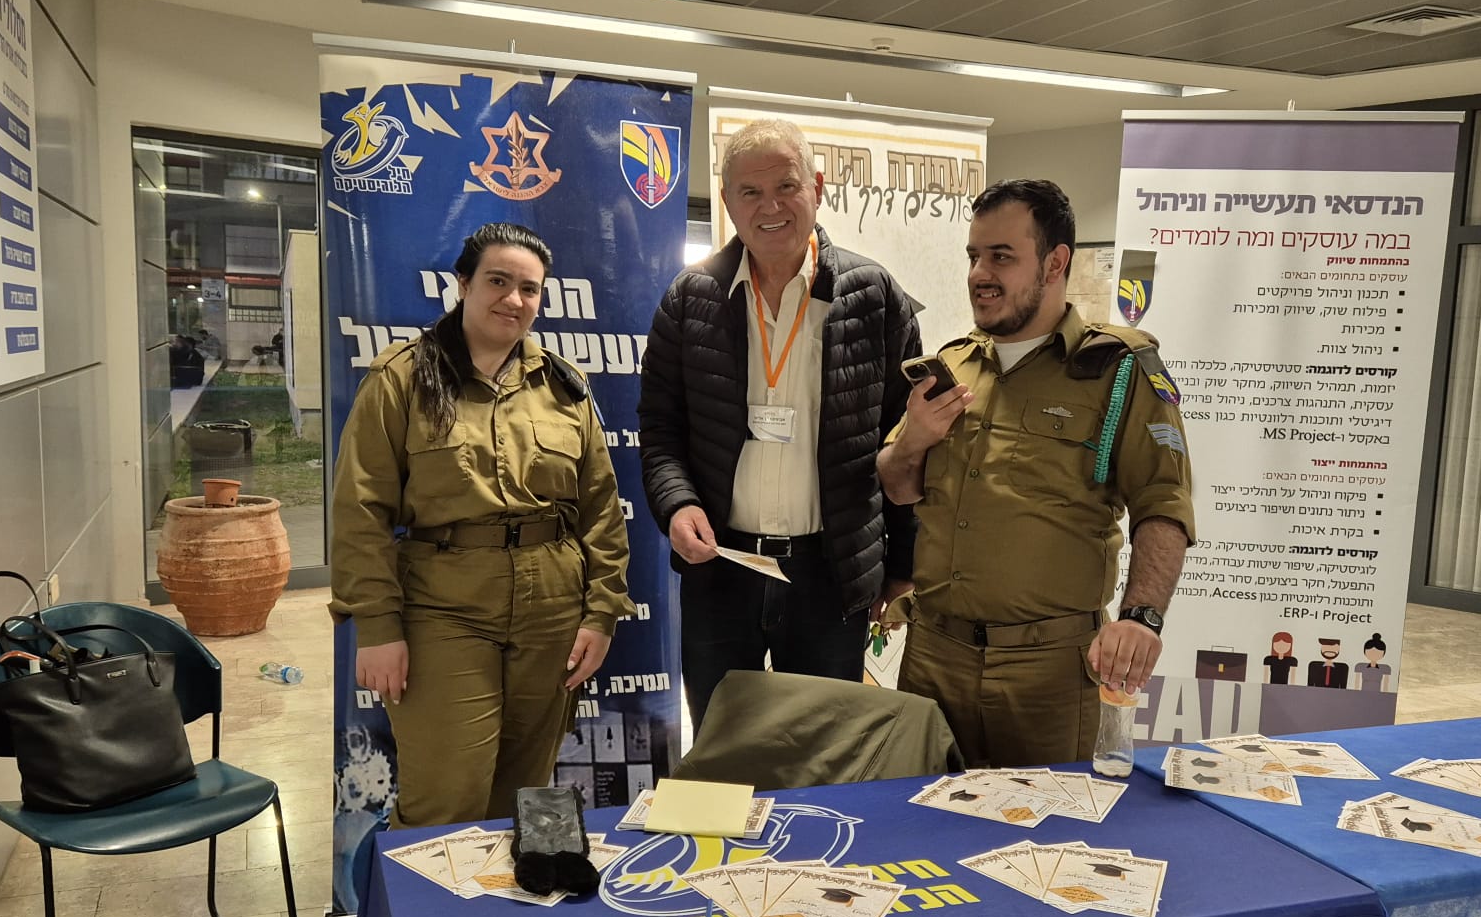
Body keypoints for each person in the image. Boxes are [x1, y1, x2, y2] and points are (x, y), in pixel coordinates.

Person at [877, 179, 1194, 768]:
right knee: (923, 815)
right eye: (974, 256)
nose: (979, 274)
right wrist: (913, 441)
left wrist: (1142, 618)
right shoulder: (951, 365)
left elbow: (1164, 503)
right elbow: (897, 486)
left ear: (1055, 263)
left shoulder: (1117, 370)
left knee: (1051, 820)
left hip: (1049, 673)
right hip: (934, 660)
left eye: (1001, 256)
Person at [330, 223, 632, 828]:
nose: (514, 299)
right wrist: (378, 626)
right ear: (463, 284)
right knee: (444, 801)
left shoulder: (563, 386)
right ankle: (425, 896)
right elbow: (361, 510)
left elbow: (600, 508)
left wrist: (601, 613)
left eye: (529, 289)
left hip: (551, 610)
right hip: (445, 606)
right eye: (498, 281)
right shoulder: (403, 378)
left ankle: (505, 895)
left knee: (524, 797)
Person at [639, 118, 921, 727]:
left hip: (830, 576)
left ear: (816, 187)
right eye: (751, 192)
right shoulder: (690, 299)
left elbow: (906, 441)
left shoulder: (874, 298)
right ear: (728, 202)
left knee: (821, 753)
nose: (770, 207)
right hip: (722, 571)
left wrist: (901, 568)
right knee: (722, 748)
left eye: (786, 186)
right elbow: (660, 430)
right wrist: (677, 504)